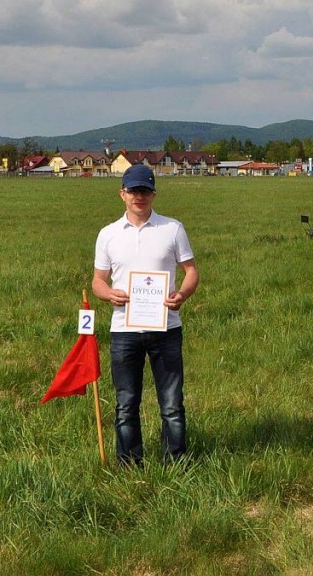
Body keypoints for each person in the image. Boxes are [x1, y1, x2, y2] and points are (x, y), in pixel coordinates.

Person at [92, 164, 200, 466]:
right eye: (133, 191)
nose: (139, 196)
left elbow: (191, 272)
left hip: (166, 328)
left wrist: (182, 295)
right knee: (126, 403)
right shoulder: (108, 234)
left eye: (145, 190)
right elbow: (98, 280)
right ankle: (128, 463)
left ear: (153, 193)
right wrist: (108, 293)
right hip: (124, 330)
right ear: (122, 194)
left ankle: (176, 462)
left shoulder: (172, 228)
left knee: (172, 403)